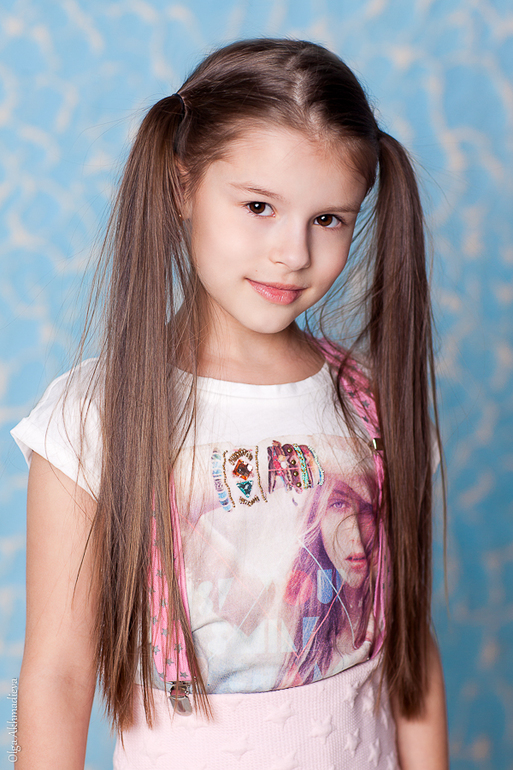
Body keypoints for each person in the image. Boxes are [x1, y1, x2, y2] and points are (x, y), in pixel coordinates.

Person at [11, 38, 449, 769]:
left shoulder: (373, 405)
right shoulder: (95, 416)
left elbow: (410, 650)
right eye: (258, 206)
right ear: (182, 188)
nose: (292, 253)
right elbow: (57, 675)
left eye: (328, 219)